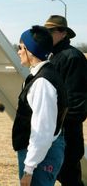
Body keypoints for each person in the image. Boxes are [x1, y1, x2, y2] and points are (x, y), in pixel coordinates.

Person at [12, 25, 68, 186]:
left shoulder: (42, 82)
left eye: (20, 47)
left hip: (41, 157)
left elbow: (42, 131)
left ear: (30, 50)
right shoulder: (41, 76)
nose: (18, 51)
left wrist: (28, 169)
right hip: (40, 154)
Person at [44, 15, 87, 186]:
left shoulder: (72, 57)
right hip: (55, 132)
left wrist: (58, 127)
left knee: (70, 178)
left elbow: (77, 104)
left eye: (50, 31)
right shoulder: (54, 57)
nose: (46, 35)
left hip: (67, 134)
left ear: (63, 33)